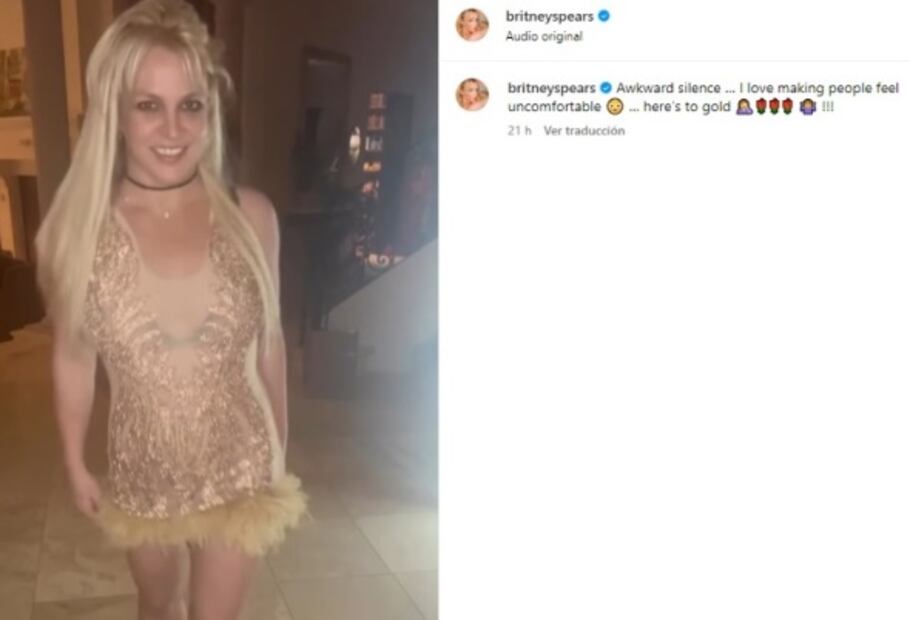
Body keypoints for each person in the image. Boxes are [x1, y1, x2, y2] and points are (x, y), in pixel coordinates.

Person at [34, 1, 308, 618]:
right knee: (158, 605)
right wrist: (74, 460)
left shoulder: (252, 216)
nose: (173, 129)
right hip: (143, 469)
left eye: (190, 105)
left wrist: (279, 445)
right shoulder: (77, 233)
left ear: (211, 112)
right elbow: (73, 357)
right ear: (116, 114)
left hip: (239, 463)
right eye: (148, 106)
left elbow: (269, 340)